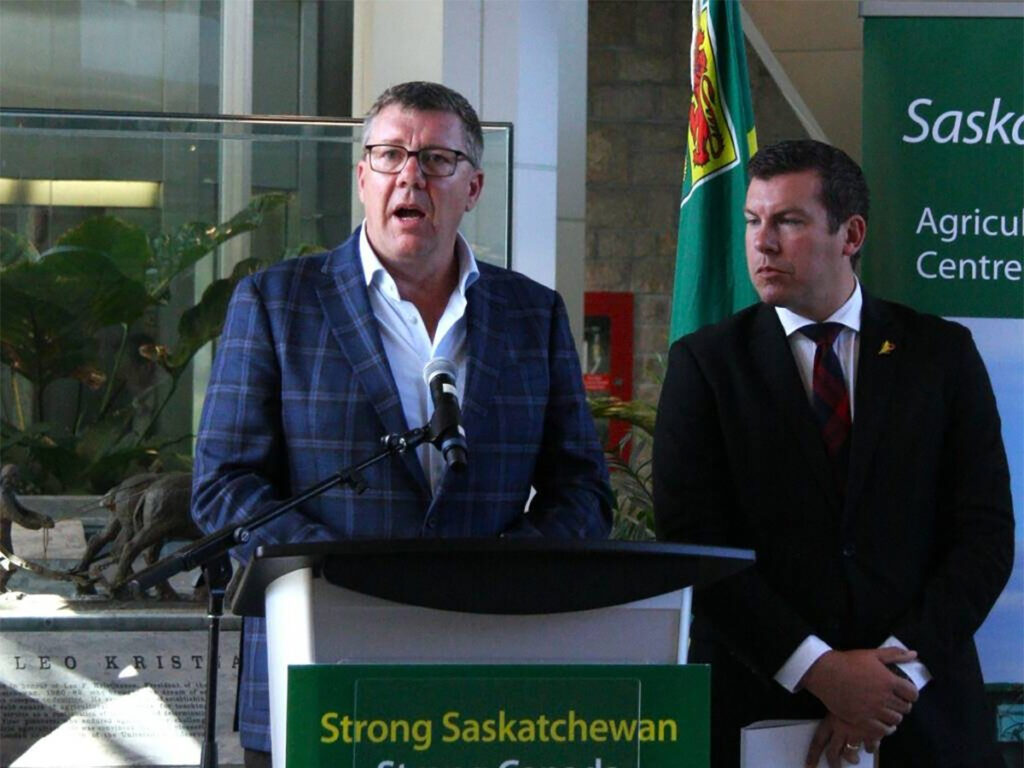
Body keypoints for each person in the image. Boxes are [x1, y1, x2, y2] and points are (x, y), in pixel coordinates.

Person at [191, 81, 612, 765]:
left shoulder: (531, 314)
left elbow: (584, 491)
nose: (410, 175)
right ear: (363, 177)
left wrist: (505, 576)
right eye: (390, 155)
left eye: (437, 160)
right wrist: (338, 579)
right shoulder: (276, 302)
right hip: (317, 669)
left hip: (489, 672)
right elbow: (223, 487)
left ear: (472, 188)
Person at [653, 139, 1013, 768]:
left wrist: (893, 678)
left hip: (923, 721)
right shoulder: (706, 366)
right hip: (759, 706)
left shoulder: (941, 356)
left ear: (851, 234)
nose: (762, 243)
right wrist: (818, 669)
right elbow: (695, 543)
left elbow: (983, 538)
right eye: (752, 220)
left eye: (788, 221)